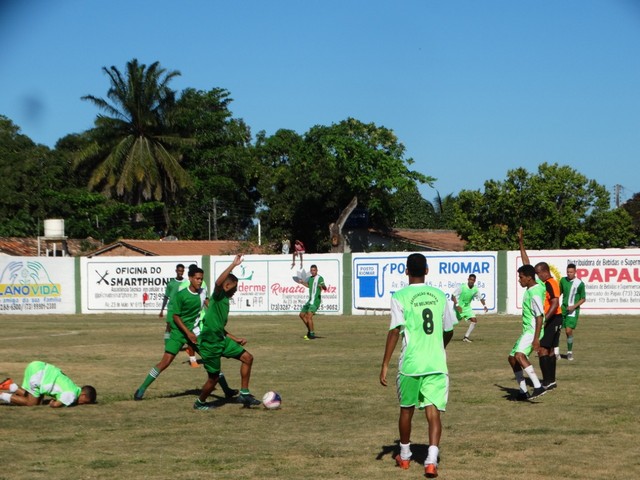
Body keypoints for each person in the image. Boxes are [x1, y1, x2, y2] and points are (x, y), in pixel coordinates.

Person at [379, 253, 455, 478]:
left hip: (411, 363)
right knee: (434, 413)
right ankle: (431, 461)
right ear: (427, 270)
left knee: (406, 409)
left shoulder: (400, 296)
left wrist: (384, 364)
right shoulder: (440, 295)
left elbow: (395, 330)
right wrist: (438, 347)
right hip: (436, 363)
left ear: (406, 271)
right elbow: (449, 330)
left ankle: (404, 456)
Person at [194, 254, 261, 410]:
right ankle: (200, 403)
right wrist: (233, 265)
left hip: (221, 340)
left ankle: (244, 393)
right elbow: (218, 282)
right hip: (210, 343)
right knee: (214, 379)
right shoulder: (218, 296)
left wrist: (234, 338)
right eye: (235, 287)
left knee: (248, 358)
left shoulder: (224, 301)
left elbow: (218, 327)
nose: (236, 291)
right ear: (227, 286)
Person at [518, 228, 563, 391]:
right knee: (548, 350)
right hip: (549, 318)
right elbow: (526, 265)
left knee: (544, 350)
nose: (536, 275)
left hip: (552, 318)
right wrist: (521, 244)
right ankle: (550, 381)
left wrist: (543, 320)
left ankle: (547, 381)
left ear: (544, 272)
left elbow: (555, 303)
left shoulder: (549, 283)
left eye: (538, 272)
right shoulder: (539, 283)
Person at [509, 263, 547, 400]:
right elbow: (527, 264)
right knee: (512, 358)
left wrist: (536, 339)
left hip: (533, 330)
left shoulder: (534, 294)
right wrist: (521, 245)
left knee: (519, 356)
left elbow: (539, 317)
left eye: (521, 277)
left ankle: (538, 387)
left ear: (529, 278)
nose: (519, 280)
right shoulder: (537, 285)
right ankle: (523, 392)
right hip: (528, 330)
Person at [0, 361, 96, 407]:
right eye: (85, 401)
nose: (83, 404)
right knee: (32, 403)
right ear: (83, 395)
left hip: (39, 367)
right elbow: (56, 405)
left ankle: (10, 385)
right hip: (39, 374)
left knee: (37, 400)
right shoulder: (72, 394)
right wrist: (53, 403)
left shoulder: (74, 387)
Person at [558, 263, 586, 361]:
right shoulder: (563, 280)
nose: (569, 274)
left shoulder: (579, 283)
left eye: (571, 272)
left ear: (575, 272)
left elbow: (583, 299)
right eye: (568, 272)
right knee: (557, 329)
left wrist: (574, 306)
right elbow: (558, 293)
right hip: (563, 309)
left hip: (573, 311)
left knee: (568, 330)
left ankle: (569, 352)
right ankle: (556, 352)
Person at [451, 273, 488, 342]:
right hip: (458, 308)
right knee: (451, 323)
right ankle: (440, 335)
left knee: (474, 320)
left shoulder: (475, 289)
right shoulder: (462, 287)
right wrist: (457, 305)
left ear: (474, 281)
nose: (471, 281)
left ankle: (466, 337)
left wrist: (485, 305)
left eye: (473, 280)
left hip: (467, 308)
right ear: (468, 279)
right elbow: (453, 296)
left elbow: (480, 298)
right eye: (470, 279)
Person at [296, 264, 327, 340]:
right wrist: (302, 282)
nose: (313, 272)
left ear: (317, 270)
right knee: (301, 315)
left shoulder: (320, 278)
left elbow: (325, 287)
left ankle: (311, 334)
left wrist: (322, 287)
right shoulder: (310, 278)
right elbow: (309, 286)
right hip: (310, 300)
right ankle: (310, 331)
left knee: (309, 316)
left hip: (316, 301)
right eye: (311, 270)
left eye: (314, 270)